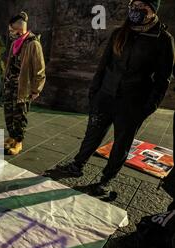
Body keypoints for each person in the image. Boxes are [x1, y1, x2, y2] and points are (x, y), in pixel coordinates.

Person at [57, 0, 174, 196]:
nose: (135, 10)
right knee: (93, 133)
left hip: (132, 103)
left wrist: (148, 108)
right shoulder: (120, 33)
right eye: (133, 5)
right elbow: (104, 65)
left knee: (121, 144)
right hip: (105, 95)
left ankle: (106, 179)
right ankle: (77, 164)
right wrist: (95, 92)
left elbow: (163, 80)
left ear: (153, 11)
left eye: (141, 7)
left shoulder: (162, 39)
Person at [3, 11, 46, 156]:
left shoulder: (33, 44)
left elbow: (39, 69)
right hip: (10, 84)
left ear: (20, 27)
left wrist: (36, 89)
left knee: (20, 115)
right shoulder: (15, 43)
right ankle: (12, 136)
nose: (10, 33)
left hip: (23, 86)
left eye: (12, 29)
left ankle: (19, 142)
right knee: (9, 112)